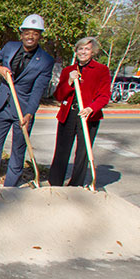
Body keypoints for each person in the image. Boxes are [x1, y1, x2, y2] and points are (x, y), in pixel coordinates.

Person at [0, 13, 55, 187]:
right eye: (27, 32)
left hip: (23, 110)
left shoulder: (45, 60)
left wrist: (29, 113)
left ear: (40, 36)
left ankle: (10, 189)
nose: (30, 36)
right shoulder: (10, 47)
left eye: (35, 33)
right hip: (3, 106)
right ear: (21, 34)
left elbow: (38, 89)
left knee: (18, 151)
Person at [49, 36, 111, 187]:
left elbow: (104, 95)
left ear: (93, 52)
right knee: (61, 150)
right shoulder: (68, 71)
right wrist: (69, 81)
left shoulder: (101, 70)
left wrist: (92, 108)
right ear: (76, 51)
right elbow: (58, 95)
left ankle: (75, 185)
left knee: (82, 153)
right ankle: (55, 183)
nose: (83, 52)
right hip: (68, 114)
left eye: (87, 49)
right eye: (80, 49)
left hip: (88, 115)